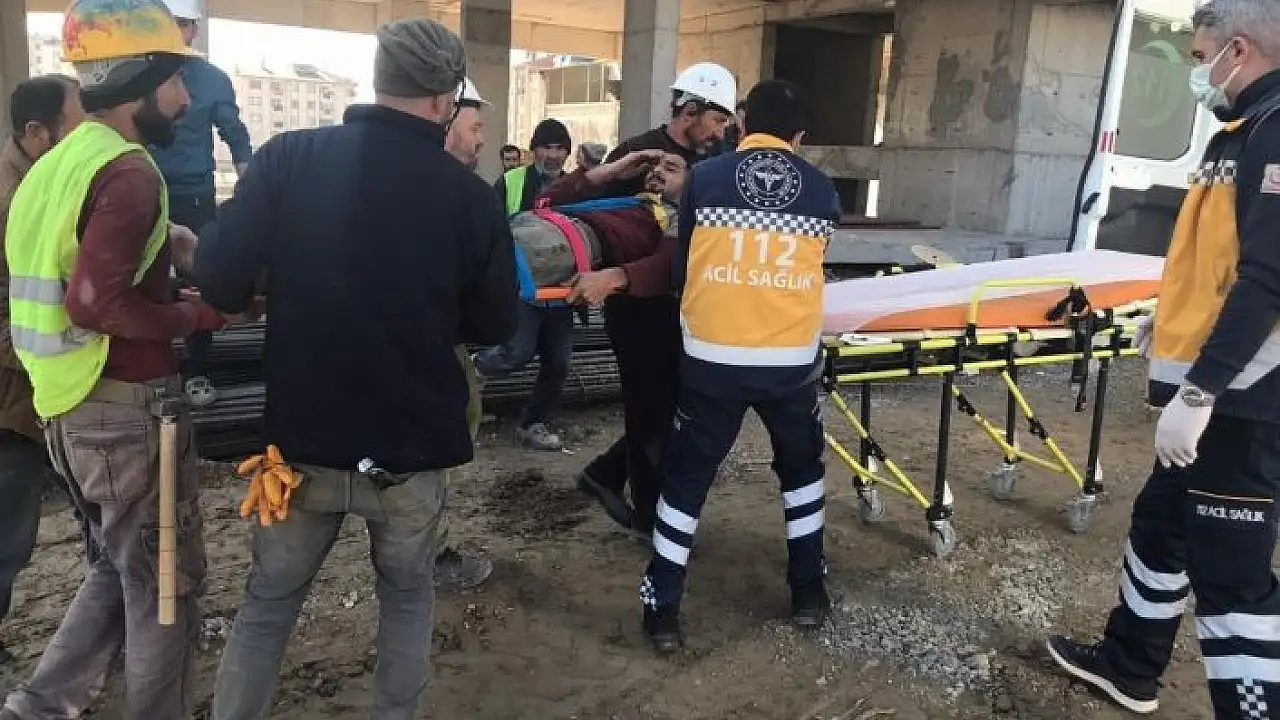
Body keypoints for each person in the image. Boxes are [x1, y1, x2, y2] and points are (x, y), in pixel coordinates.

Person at [197, 19, 518, 719]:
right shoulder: (469, 196)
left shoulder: (289, 159)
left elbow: (219, 280)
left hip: (298, 450)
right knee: (405, 598)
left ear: (379, 80)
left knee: (268, 606)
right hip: (409, 454)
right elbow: (497, 324)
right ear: (445, 100)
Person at [1044, 0, 1280, 716]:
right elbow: (1214, 262)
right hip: (1216, 390)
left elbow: (1269, 278)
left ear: (1239, 50)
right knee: (1160, 526)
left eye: (1200, 55)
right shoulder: (1237, 132)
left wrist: (1201, 391)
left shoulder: (1274, 133)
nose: (1195, 71)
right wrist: (1169, 320)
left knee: (1231, 575)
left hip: (1243, 400)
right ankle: (1130, 664)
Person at [0, 1, 230, 716]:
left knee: (117, 566)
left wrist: (166, 271)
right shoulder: (129, 172)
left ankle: (38, 706)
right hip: (124, 409)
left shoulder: (56, 164)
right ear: (141, 81)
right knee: (165, 587)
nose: (185, 100)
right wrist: (196, 315)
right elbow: (95, 302)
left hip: (65, 404)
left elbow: (78, 281)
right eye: (176, 81)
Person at [639, 79, 838, 653]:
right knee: (801, 475)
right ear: (800, 136)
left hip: (713, 360)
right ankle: (808, 592)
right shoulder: (823, 191)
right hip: (790, 364)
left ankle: (661, 609)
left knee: (687, 481)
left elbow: (684, 264)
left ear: (744, 123)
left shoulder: (704, 178)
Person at [576, 62, 736, 541]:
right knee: (650, 411)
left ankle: (604, 473)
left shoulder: (711, 163)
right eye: (717, 119)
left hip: (683, 307)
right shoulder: (637, 155)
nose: (721, 131)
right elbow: (599, 222)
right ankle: (648, 519)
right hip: (637, 308)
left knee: (668, 408)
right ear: (691, 110)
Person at [0, 75, 85, 667]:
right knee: (8, 534)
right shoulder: (12, 200)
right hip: (14, 397)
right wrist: (50, 355)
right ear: (37, 132)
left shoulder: (44, 179)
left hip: (41, 385)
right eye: (78, 125)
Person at [148, 0, 252, 409]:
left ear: (194, 29)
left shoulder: (212, 80)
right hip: (144, 190)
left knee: (201, 278)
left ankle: (197, 369)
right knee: (145, 281)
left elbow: (234, 134)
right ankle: (154, 368)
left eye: (184, 23)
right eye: (168, 22)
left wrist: (251, 183)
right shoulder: (139, 75)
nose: (176, 31)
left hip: (194, 193)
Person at [475, 118, 575, 452]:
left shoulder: (575, 186)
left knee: (558, 363)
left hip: (561, 292)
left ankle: (533, 423)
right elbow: (490, 229)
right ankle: (471, 373)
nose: (553, 154)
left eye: (560, 148)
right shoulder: (511, 181)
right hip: (522, 288)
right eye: (547, 147)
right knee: (516, 352)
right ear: (533, 151)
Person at [436, 75, 496, 591]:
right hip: (434, 348)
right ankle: (429, 555)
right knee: (440, 442)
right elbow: (494, 313)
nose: (481, 139)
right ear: (445, 117)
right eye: (475, 128)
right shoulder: (466, 196)